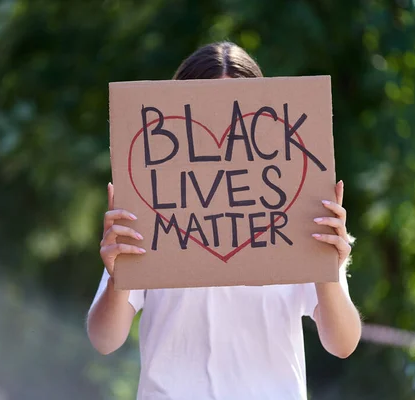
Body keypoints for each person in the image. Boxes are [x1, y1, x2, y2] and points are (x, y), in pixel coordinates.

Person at [87, 41, 361, 400]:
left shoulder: (298, 208)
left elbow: (342, 343)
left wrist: (328, 266)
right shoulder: (151, 206)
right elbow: (105, 339)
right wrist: (117, 274)